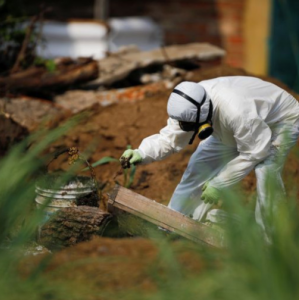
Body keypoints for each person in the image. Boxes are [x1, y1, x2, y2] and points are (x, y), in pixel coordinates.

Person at [120, 76, 299, 231]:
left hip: (281, 121)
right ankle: (171, 222)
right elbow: (170, 137)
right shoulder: (189, 102)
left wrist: (219, 183)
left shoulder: (238, 113)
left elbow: (254, 152)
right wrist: (142, 152)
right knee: (198, 168)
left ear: (203, 116)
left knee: (266, 171)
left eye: (191, 127)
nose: (187, 129)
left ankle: (270, 241)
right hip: (231, 128)